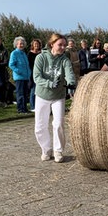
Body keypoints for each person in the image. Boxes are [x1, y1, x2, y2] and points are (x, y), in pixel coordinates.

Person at [33, 33, 76, 163]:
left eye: (64, 45)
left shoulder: (65, 60)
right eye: (60, 45)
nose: (63, 47)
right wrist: (49, 83)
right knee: (40, 126)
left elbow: (69, 73)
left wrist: (71, 82)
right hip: (42, 95)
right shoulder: (41, 58)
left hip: (58, 96)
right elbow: (36, 77)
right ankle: (46, 149)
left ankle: (58, 150)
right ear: (52, 44)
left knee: (58, 124)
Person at [8, 36, 31, 114]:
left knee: (25, 93)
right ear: (16, 44)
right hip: (19, 77)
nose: (21, 45)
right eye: (20, 44)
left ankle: (24, 108)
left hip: (26, 76)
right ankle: (20, 109)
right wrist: (18, 71)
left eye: (23, 43)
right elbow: (11, 64)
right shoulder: (14, 53)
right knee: (20, 93)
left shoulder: (24, 53)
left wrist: (29, 73)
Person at [27, 38, 42, 112]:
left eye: (37, 44)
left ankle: (38, 106)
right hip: (32, 74)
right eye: (35, 44)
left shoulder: (41, 53)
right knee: (33, 90)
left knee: (40, 91)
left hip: (41, 73)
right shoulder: (30, 54)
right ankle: (32, 106)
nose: (36, 45)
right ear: (32, 45)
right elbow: (28, 64)